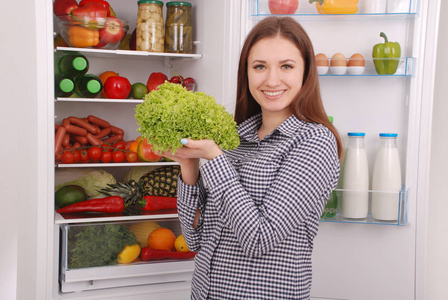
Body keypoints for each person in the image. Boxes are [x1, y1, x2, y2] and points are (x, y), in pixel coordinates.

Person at [161, 16, 343, 300]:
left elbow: (259, 239)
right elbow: (196, 238)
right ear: (246, 72)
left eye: (286, 66)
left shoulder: (314, 142)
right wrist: (189, 164)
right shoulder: (234, 138)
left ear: (306, 72)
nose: (271, 80)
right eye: (259, 66)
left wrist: (213, 157)